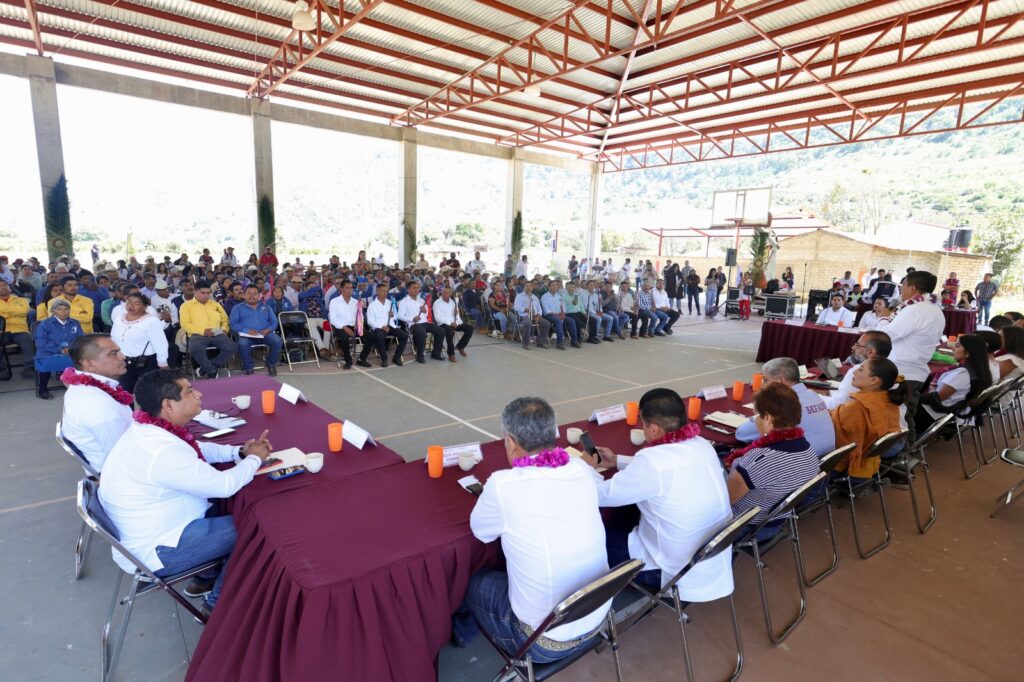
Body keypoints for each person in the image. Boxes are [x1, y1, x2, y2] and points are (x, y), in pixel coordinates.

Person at [98, 369, 273, 618]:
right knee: (257, 532)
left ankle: (204, 579)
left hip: (154, 533)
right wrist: (255, 459)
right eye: (190, 391)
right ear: (168, 405)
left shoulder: (149, 430)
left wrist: (238, 453)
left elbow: (194, 447)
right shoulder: (160, 451)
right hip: (161, 550)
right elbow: (224, 486)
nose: (199, 394)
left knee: (233, 511)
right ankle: (217, 606)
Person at [451, 397, 610, 661]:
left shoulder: (502, 484)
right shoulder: (581, 469)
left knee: (472, 580)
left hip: (541, 643)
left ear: (511, 442)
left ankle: (461, 634)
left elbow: (481, 532)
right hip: (597, 617)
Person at [586, 388, 733, 595]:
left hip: (672, 572)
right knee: (629, 511)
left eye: (643, 424)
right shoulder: (701, 444)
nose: (643, 429)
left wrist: (586, 468)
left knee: (592, 538)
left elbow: (598, 495)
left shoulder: (652, 462)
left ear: (654, 429)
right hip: (712, 563)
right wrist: (617, 460)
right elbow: (664, 471)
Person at [725, 382, 821, 538]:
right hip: (775, 522)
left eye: (756, 415)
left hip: (744, 528)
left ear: (768, 418)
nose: (755, 420)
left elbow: (724, 503)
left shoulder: (758, 461)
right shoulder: (808, 450)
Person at [885, 271, 946, 446]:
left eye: (903, 286)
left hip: (903, 372)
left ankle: (903, 454)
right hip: (915, 370)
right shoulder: (936, 310)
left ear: (912, 288)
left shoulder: (914, 310)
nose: (901, 289)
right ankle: (906, 453)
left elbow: (888, 335)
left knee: (900, 416)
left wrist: (883, 319)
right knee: (906, 414)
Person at [736, 357, 835, 458]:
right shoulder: (812, 395)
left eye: (765, 380)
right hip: (826, 459)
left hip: (801, 461)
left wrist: (759, 415)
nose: (762, 385)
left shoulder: (784, 403)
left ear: (781, 381)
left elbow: (742, 434)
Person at [60, 334, 131, 472]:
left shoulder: (85, 388)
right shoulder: (97, 404)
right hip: (123, 475)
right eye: (113, 354)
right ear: (89, 364)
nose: (122, 357)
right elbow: (122, 455)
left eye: (119, 351)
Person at [830, 357, 905, 481]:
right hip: (872, 464)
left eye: (860, 370)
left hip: (849, 468)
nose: (854, 372)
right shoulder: (888, 398)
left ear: (874, 380)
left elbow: (834, 435)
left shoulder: (857, 406)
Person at [915, 334, 992, 433]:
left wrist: (912, 396)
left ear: (968, 352)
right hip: (945, 412)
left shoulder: (963, 374)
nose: (953, 348)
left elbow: (937, 398)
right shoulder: (978, 371)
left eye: (957, 346)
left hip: (932, 415)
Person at [111, 292, 169, 392]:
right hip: (124, 360)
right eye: (129, 302)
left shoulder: (151, 321)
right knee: (124, 391)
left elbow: (160, 343)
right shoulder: (119, 319)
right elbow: (113, 338)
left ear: (145, 307)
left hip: (146, 362)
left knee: (148, 391)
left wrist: (162, 362)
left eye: (137, 303)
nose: (131, 306)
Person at [180, 280, 236, 379]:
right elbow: (185, 324)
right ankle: (211, 371)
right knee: (195, 348)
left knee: (233, 347)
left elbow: (225, 319)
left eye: (208, 293)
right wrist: (203, 331)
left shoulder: (215, 304)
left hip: (216, 332)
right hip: (197, 334)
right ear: (195, 291)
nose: (206, 295)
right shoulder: (186, 306)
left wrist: (224, 329)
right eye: (203, 293)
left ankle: (207, 368)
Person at [824, 330, 893, 410]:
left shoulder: (860, 371)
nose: (853, 348)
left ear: (870, 352)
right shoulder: (889, 369)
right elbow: (850, 394)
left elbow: (835, 406)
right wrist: (828, 392)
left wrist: (815, 396)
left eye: (858, 345)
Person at [34, 298, 84, 399]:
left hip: (71, 351)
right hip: (48, 351)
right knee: (46, 363)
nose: (63, 311)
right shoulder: (45, 324)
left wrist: (71, 348)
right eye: (59, 309)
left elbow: (80, 338)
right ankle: (43, 389)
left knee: (84, 360)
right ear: (53, 311)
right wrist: (59, 349)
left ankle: (78, 387)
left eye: (66, 309)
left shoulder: (75, 323)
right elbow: (41, 341)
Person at [229, 284, 283, 376]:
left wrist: (268, 329)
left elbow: (274, 322)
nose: (252, 296)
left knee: (277, 340)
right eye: (249, 293)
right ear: (244, 295)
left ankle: (270, 363)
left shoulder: (266, 307)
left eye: (254, 294)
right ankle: (248, 368)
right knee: (242, 343)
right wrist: (247, 331)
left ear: (258, 296)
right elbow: (233, 324)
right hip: (246, 336)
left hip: (265, 334)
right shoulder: (237, 308)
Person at [358, 283, 407, 368]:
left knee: (404, 335)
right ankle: (384, 359)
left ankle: (397, 357)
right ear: (377, 292)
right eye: (383, 291)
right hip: (378, 327)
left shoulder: (390, 303)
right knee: (380, 336)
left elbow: (396, 316)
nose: (385, 293)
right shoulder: (372, 305)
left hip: (390, 326)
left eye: (386, 291)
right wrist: (382, 326)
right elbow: (370, 321)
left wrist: (392, 315)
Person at [397, 281, 441, 363]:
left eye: (417, 288)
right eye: (414, 288)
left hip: (425, 323)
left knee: (440, 330)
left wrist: (425, 311)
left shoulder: (421, 300)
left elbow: (426, 313)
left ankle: (436, 353)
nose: (416, 290)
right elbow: (400, 316)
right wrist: (412, 318)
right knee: (421, 331)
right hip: (413, 324)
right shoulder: (404, 302)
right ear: (408, 289)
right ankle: (420, 355)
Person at [0, 279, 34, 377]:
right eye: (0, 286)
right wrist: (14, 313)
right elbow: (18, 312)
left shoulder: (22, 300)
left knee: (27, 341)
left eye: (5, 285)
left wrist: (4, 313)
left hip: (20, 330)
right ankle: (2, 370)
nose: (3, 287)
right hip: (1, 331)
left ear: (10, 288)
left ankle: (29, 368)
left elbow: (24, 311)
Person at [433, 286, 472, 362]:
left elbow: (457, 316)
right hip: (443, 324)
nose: (445, 294)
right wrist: (450, 323)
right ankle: (451, 354)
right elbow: (437, 318)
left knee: (469, 328)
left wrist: (457, 321)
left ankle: (460, 346)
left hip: (453, 323)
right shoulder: (437, 303)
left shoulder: (453, 302)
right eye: (444, 292)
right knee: (449, 331)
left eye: (447, 293)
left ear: (451, 294)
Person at [328, 279, 360, 369]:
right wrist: (345, 328)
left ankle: (362, 358)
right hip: (340, 327)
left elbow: (359, 316)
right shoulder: (334, 301)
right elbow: (333, 319)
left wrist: (358, 324)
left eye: (351, 288)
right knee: (344, 337)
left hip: (354, 326)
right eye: (347, 288)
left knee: (371, 336)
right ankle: (348, 360)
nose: (350, 290)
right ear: (341, 289)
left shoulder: (355, 301)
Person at [540, 279, 579, 349]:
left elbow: (563, 306)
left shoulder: (559, 296)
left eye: (556, 285)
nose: (555, 287)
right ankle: (559, 343)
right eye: (553, 285)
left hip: (560, 315)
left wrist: (562, 313)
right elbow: (546, 310)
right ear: (549, 287)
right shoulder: (544, 296)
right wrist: (557, 315)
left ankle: (574, 341)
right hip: (549, 316)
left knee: (571, 321)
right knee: (558, 321)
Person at [513, 281, 550, 350]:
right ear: (524, 288)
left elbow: (539, 309)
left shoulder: (535, 297)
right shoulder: (519, 296)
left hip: (535, 316)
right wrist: (525, 309)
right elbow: (516, 307)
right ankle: (526, 343)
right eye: (526, 286)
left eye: (530, 286)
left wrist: (538, 316)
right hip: (524, 316)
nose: (528, 288)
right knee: (528, 323)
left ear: (532, 288)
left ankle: (540, 341)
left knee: (546, 323)